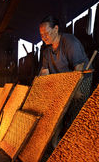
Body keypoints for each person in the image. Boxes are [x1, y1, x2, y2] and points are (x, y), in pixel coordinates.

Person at [38, 15, 92, 148]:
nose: (43, 37)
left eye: (46, 33)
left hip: (80, 79)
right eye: (41, 34)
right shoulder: (47, 51)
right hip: (62, 83)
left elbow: (78, 69)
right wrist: (38, 90)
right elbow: (44, 74)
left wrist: (75, 90)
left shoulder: (69, 42)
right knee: (55, 111)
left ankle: (75, 144)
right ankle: (57, 141)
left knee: (75, 113)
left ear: (56, 29)